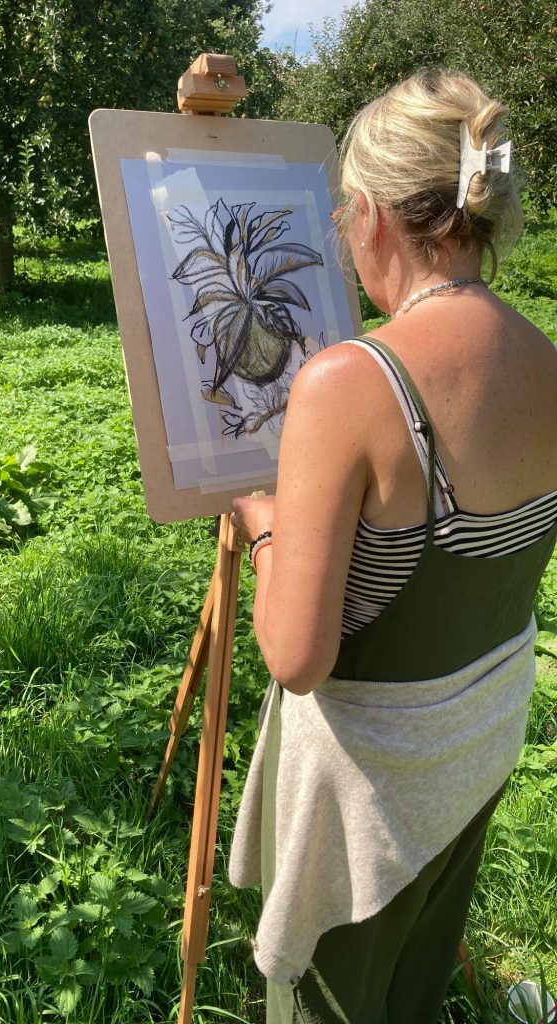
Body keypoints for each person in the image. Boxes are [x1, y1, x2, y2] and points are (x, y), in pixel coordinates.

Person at [227, 68, 557, 1024]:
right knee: (414, 975)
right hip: (480, 733)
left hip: (369, 794)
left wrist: (263, 525)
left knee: (329, 999)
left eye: (341, 217)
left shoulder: (353, 382)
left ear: (367, 215)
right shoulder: (546, 360)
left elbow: (296, 657)